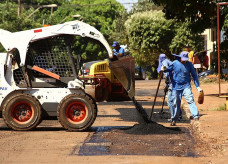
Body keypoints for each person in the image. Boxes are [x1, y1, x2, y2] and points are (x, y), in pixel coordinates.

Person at [161, 51, 203, 126]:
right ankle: (174, 119)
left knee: (190, 100)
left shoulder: (189, 64)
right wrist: (164, 69)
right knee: (176, 103)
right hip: (176, 87)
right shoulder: (175, 63)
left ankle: (196, 116)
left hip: (186, 86)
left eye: (185, 59)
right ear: (180, 57)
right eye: (183, 59)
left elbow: (194, 76)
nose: (184, 60)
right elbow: (168, 69)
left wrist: (198, 87)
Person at [157, 54, 175, 121]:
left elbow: (166, 70)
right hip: (173, 83)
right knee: (175, 100)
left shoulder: (164, 62)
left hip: (172, 84)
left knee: (170, 101)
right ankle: (178, 115)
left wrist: (167, 83)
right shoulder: (168, 61)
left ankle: (174, 117)